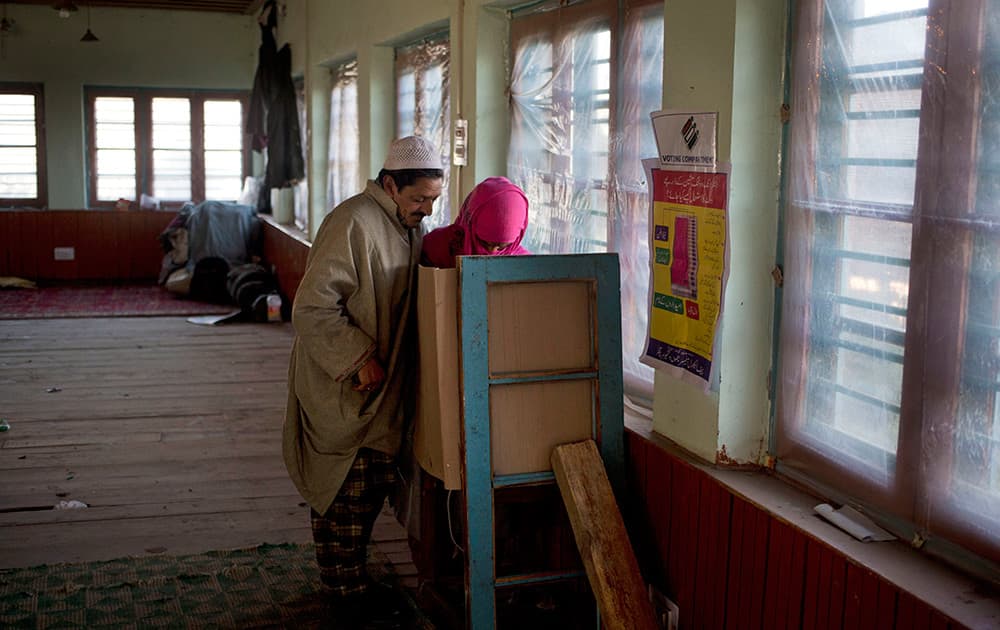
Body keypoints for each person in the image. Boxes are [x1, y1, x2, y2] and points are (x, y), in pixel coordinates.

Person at [282, 135, 443, 626]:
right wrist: (357, 359)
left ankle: (351, 583)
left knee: (370, 486)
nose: (426, 210)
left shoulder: (404, 224)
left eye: (434, 201)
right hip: (345, 382)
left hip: (384, 388)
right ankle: (344, 592)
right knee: (343, 490)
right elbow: (311, 308)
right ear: (390, 184)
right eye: (419, 199)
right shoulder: (352, 222)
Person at [420, 176, 530, 268]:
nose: (491, 253)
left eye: (501, 247)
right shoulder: (436, 248)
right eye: (484, 243)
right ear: (470, 222)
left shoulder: (525, 266)